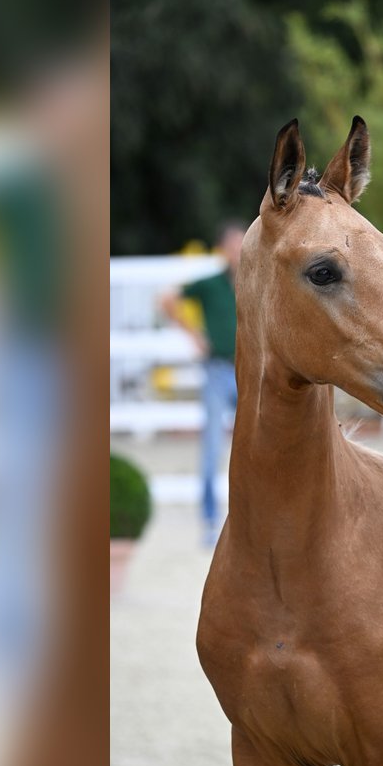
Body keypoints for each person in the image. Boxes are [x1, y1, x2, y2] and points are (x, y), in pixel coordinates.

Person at [160, 221, 245, 545]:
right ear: (223, 250)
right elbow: (167, 299)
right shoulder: (210, 284)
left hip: (247, 371)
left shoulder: (255, 280)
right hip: (217, 371)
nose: (238, 251)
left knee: (253, 445)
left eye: (242, 244)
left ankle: (245, 519)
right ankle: (209, 522)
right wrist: (193, 335)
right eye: (234, 245)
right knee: (211, 448)